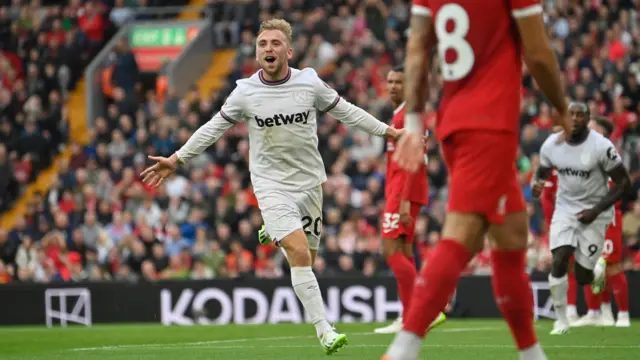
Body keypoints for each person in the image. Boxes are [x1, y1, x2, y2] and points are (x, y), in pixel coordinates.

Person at [141, 19, 402, 355]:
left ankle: (273, 231)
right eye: (263, 44)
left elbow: (347, 112)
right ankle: (324, 330)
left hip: (309, 183)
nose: (268, 49)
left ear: (289, 51)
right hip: (270, 182)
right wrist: (177, 159)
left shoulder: (309, 83)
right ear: (256, 52)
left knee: (307, 257)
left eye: (276, 43)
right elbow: (212, 129)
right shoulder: (246, 92)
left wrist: (386, 131)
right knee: (298, 251)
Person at [383, 0, 572, 358]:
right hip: (491, 123)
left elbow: (417, 50)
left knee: (512, 233)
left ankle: (531, 353)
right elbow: (538, 52)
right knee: (463, 234)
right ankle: (401, 351)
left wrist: (413, 123)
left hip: (455, 123)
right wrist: (561, 107)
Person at [531, 102, 631, 335]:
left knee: (584, 276)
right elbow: (543, 170)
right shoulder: (552, 144)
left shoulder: (601, 146)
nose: (574, 118)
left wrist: (595, 210)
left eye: (580, 115)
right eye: (570, 114)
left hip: (596, 211)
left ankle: (594, 273)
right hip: (565, 209)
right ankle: (562, 319)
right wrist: (537, 182)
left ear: (588, 119)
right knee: (560, 258)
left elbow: (624, 182)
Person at [373, 66, 446, 334]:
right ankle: (410, 317)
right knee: (403, 251)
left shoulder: (409, 117)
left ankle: (428, 309)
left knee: (390, 252)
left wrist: (403, 200)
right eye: (389, 81)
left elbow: (414, 162)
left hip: (403, 191)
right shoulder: (399, 115)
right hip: (400, 190)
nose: (392, 86)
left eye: (398, 82)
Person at [569, 116, 631, 328]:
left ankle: (623, 315)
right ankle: (599, 312)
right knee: (593, 265)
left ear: (603, 132)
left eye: (593, 126)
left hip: (607, 217)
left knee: (611, 266)